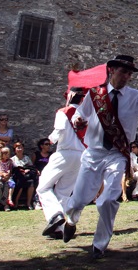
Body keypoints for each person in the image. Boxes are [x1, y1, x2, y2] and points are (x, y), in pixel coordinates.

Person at [63, 55, 138, 259]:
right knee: (78, 199)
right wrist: (78, 121)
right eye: (123, 71)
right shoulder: (95, 94)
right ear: (111, 70)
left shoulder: (136, 97)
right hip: (94, 153)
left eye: (130, 73)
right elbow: (81, 115)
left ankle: (99, 244)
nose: (127, 76)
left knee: (108, 200)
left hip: (118, 154)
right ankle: (71, 220)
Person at [37, 87, 87, 238]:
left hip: (64, 153)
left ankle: (55, 215)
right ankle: (59, 229)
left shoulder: (63, 112)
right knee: (63, 192)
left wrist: (50, 139)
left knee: (43, 187)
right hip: (80, 155)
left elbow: (58, 131)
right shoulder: (86, 115)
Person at [11, 141, 37, 210]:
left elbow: (31, 167)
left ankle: (28, 203)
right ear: (15, 149)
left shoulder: (26, 158)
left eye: (21, 148)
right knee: (20, 183)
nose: (19, 149)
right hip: (17, 177)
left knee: (31, 182)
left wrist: (27, 170)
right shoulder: (12, 159)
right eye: (18, 148)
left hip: (26, 176)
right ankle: (16, 202)